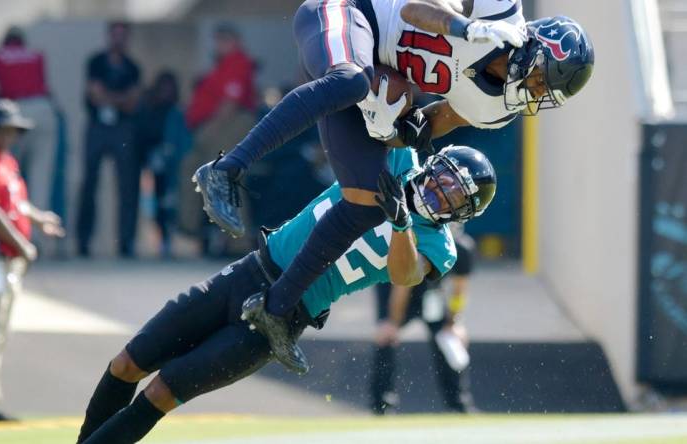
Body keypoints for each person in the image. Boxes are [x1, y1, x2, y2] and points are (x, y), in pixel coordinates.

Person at [194, 0, 595, 375]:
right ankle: (226, 169)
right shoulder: (500, 12)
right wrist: (465, 28)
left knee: (367, 202)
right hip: (349, 14)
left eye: (545, 93)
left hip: (374, 75)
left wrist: (391, 127)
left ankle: (277, 308)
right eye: (542, 80)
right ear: (535, 49)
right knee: (349, 79)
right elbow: (412, 9)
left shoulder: (496, 109)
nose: (535, 92)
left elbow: (420, 128)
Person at [76, 146, 496, 444]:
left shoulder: (439, 245)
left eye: (454, 197)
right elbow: (374, 121)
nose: (440, 193)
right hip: (249, 272)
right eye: (444, 181)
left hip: (284, 313)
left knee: (162, 392)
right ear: (433, 167)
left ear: (461, 212)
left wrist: (402, 225)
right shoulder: (401, 161)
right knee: (127, 362)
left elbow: (404, 276)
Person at [0, 99, 65, 422]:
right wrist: (22, 244)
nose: (11, 135)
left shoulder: (5, 161)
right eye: (6, 129)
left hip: (4, 262)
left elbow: (14, 204)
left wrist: (38, 219)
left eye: (14, 130)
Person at [370, 222, 476, 414]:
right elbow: (403, 285)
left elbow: (460, 290)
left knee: (450, 340)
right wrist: (393, 322)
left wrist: (454, 322)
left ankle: (459, 404)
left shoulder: (462, 248)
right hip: (397, 286)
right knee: (386, 337)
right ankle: (382, 404)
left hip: (431, 294)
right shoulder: (422, 242)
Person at [178, 23, 257, 254]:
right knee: (191, 171)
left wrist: (208, 132)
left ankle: (238, 241)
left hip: (226, 125)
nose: (219, 45)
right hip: (211, 128)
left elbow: (230, 104)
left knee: (227, 177)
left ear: (235, 41)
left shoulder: (238, 62)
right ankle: (189, 232)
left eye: (224, 40)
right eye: (218, 40)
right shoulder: (220, 66)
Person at [0, 26, 58, 224]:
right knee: (41, 176)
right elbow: (43, 85)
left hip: (15, 112)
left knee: (9, 175)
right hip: (43, 109)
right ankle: (42, 237)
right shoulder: (36, 54)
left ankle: (12, 230)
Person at [76, 21, 142, 258]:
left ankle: (126, 242)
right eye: (115, 35)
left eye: (123, 35)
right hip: (98, 127)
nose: (119, 40)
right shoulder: (96, 62)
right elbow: (94, 94)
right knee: (89, 184)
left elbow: (133, 101)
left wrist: (108, 98)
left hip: (122, 128)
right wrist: (119, 99)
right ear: (108, 37)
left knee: (127, 185)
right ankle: (83, 240)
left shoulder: (133, 67)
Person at [135, 71, 192, 257]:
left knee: (172, 203)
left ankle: (170, 238)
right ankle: (162, 239)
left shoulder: (176, 113)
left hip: (174, 168)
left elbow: (182, 141)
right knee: (157, 203)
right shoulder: (150, 111)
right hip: (155, 165)